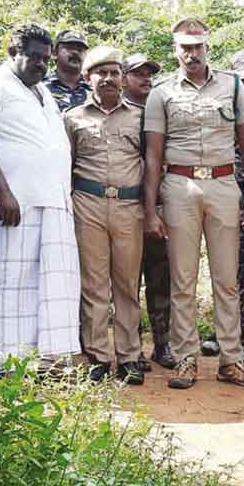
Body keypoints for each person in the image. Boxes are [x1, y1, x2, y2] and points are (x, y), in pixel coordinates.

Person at [143, 17, 244, 389]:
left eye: (197, 47)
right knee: (183, 280)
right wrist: (151, 209)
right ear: (175, 50)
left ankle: (231, 358)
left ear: (206, 47)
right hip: (179, 186)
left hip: (224, 184)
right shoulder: (160, 93)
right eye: (184, 47)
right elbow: (152, 155)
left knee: (227, 279)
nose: (191, 54)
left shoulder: (232, 85)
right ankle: (185, 359)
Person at [0, 23, 80, 370]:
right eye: (35, 58)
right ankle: (11, 362)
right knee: (14, 281)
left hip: (54, 202)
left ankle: (50, 358)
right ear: (13, 53)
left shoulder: (43, 94)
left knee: (54, 283)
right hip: (16, 203)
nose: (42, 65)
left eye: (46, 59)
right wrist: (3, 192)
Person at [64, 47, 147, 384]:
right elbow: (65, 166)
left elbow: (152, 162)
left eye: (114, 72)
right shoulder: (72, 118)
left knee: (127, 284)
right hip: (88, 203)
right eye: (101, 72)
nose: (109, 78)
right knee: (94, 284)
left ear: (123, 78)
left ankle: (129, 357)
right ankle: (97, 355)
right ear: (88, 78)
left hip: (129, 205)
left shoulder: (140, 117)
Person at [201, 50, 244, 366]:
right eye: (242, 79)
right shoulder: (225, 116)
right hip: (235, 205)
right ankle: (242, 338)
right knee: (237, 273)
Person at [122, 53, 176, 370]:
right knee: (127, 280)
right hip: (125, 204)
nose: (146, 79)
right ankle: (131, 347)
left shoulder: (162, 110)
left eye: (149, 74)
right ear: (123, 77)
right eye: (137, 74)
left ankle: (163, 343)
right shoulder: (116, 112)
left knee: (161, 276)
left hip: (160, 204)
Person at [44, 30, 90, 112]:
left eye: (80, 50)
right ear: (54, 53)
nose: (75, 52)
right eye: (69, 48)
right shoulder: (41, 86)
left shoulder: (93, 89)